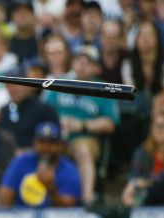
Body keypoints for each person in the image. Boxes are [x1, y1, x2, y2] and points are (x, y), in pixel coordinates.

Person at [45, 45, 119, 204]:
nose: (82, 65)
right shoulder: (59, 82)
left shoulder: (104, 88)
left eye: (88, 62)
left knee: (83, 150)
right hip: (55, 136)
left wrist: (83, 125)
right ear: (72, 63)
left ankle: (87, 198)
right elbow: (43, 111)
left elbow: (110, 123)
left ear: (96, 67)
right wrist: (58, 123)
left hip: (84, 137)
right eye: (79, 60)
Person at [0, 121, 82, 208]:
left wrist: (51, 188)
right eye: (41, 142)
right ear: (34, 143)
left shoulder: (69, 170)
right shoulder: (21, 162)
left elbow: (69, 210)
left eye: (51, 143)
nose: (45, 147)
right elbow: (3, 199)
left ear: (60, 146)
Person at [0, 66, 59, 152]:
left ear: (27, 85)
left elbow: (54, 141)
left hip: (36, 158)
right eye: (8, 85)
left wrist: (26, 153)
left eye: (16, 84)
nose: (12, 89)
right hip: (8, 159)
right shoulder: (4, 111)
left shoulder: (44, 109)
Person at [122, 111, 164, 207]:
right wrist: (135, 184)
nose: (161, 130)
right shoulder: (142, 151)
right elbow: (134, 177)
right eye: (158, 126)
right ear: (151, 128)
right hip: (147, 195)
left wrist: (141, 182)